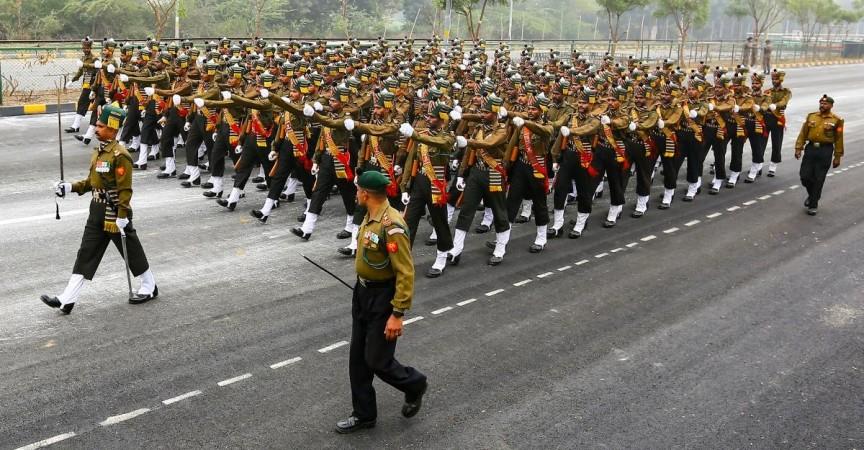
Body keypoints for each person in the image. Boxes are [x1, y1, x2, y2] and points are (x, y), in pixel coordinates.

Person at [42, 104, 158, 314]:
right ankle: (67, 299)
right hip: (96, 211)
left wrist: (122, 216)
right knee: (85, 253)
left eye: (101, 125)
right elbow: (91, 183)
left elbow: (125, 190)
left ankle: (149, 286)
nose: (96, 128)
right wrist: (69, 187)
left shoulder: (119, 155)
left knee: (130, 251)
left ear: (113, 130)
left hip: (114, 211)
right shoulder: (99, 153)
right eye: (96, 124)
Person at [336, 170, 428, 434]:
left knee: (377, 360)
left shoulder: (392, 225)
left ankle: (414, 384)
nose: (356, 194)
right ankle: (364, 414)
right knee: (358, 360)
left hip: (384, 299)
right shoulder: (371, 214)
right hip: (363, 293)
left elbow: (405, 271)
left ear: (365, 193)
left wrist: (397, 313)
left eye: (358, 191)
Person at [795, 95, 844, 216]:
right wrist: (798, 147)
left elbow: (839, 139)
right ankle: (814, 196)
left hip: (825, 151)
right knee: (804, 176)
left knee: (819, 178)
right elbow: (803, 133)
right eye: (821, 103)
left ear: (831, 106)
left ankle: (813, 205)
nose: (822, 105)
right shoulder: (811, 116)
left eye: (825, 104)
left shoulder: (837, 120)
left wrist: (837, 156)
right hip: (811, 149)